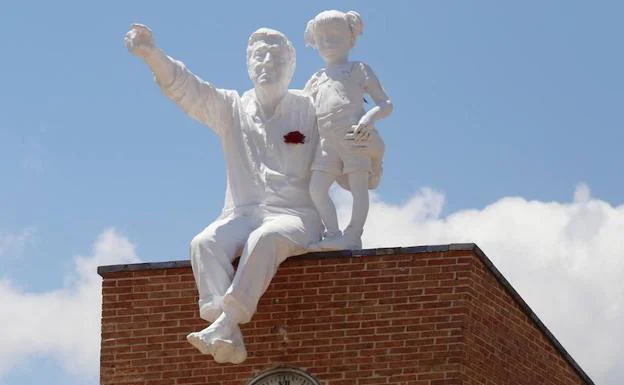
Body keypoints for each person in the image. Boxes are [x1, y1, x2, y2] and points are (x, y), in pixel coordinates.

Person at [125, 24, 322, 364]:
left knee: (266, 238)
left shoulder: (308, 108)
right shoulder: (232, 108)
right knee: (203, 244)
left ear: (291, 67)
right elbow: (188, 90)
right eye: (259, 56)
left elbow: (342, 139)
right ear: (248, 66)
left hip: (295, 216)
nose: (266, 63)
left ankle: (227, 322)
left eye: (276, 57)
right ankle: (227, 331)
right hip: (243, 214)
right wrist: (151, 55)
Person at [304, 10, 393, 251]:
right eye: (322, 38)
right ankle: (332, 233)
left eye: (335, 36)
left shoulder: (358, 69)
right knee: (316, 188)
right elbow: (302, 112)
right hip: (325, 140)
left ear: (350, 38)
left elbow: (385, 104)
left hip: (353, 136)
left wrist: (368, 119)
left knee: (358, 187)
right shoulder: (315, 79)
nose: (327, 43)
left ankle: (353, 234)